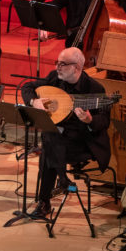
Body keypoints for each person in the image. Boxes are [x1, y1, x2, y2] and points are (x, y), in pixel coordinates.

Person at [20, 46, 112, 219]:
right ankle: (60, 181)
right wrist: (34, 102)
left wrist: (90, 121)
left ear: (76, 67)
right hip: (59, 139)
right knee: (51, 138)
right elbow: (28, 87)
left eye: (63, 64)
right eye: (57, 63)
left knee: (49, 143)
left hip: (82, 142)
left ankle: (45, 202)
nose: (57, 67)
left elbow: (105, 121)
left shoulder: (94, 88)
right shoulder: (55, 78)